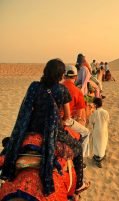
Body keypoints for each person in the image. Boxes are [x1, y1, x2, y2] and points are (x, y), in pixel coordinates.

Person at [0, 59, 89, 199]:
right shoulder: (62, 90)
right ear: (61, 75)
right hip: (54, 134)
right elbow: (66, 117)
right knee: (77, 148)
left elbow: (26, 109)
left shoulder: (34, 86)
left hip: (29, 130)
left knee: (8, 146)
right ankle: (78, 185)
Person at [63, 65, 90, 157]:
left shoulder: (58, 87)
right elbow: (79, 114)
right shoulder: (78, 91)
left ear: (64, 76)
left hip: (52, 117)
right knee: (86, 132)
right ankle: (81, 159)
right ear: (75, 77)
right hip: (66, 120)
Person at [89, 98, 109, 168]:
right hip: (104, 130)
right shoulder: (106, 112)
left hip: (96, 131)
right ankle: (101, 156)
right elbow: (107, 121)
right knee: (103, 143)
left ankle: (97, 158)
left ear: (95, 105)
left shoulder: (95, 112)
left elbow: (91, 121)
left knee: (96, 144)